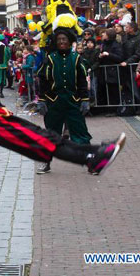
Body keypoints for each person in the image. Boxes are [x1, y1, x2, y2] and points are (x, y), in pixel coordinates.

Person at [0, 34, 126, 179]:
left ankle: (96, 153)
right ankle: (93, 158)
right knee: (47, 143)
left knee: (50, 138)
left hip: (6, 122)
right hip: (0, 128)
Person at [36, 28, 92, 174]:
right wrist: (42, 100)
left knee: (81, 133)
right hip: (54, 102)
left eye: (64, 39)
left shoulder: (76, 58)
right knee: (51, 133)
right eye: (59, 39)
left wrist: (85, 99)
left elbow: (82, 81)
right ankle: (45, 162)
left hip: (73, 101)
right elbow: (43, 81)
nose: (61, 42)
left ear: (69, 42)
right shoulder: (50, 58)